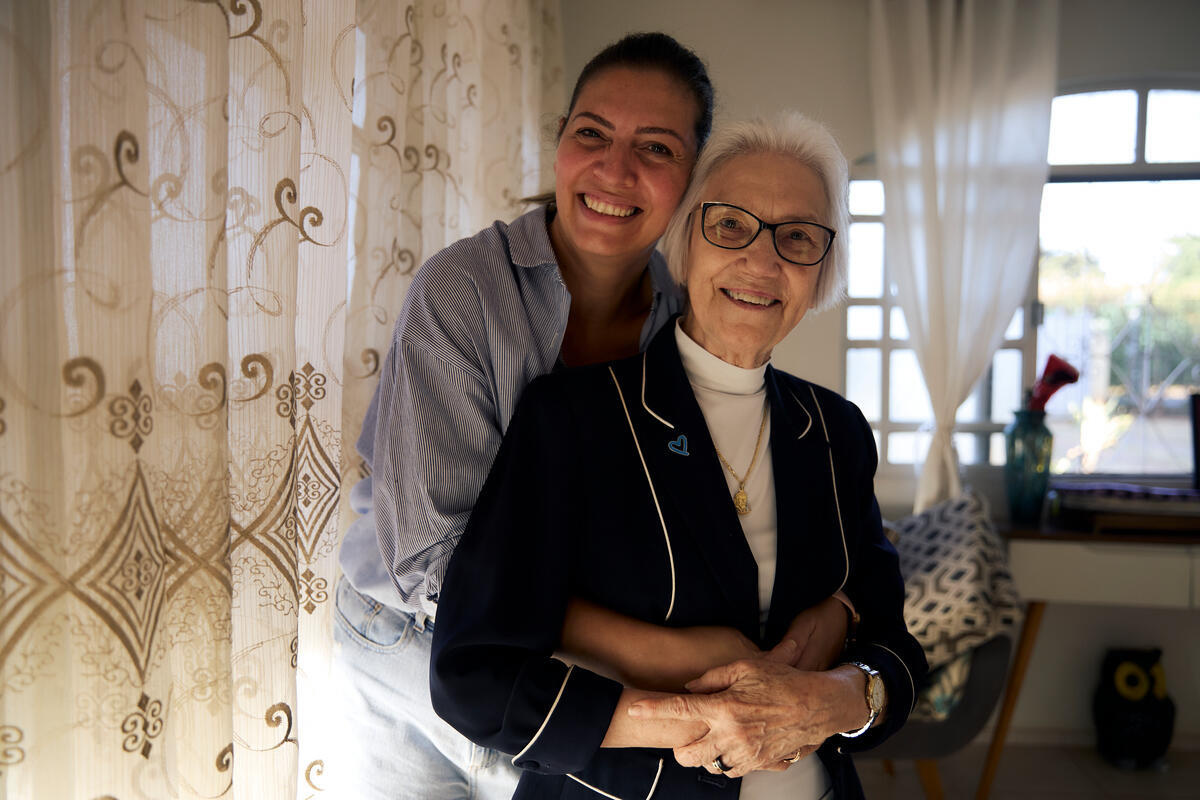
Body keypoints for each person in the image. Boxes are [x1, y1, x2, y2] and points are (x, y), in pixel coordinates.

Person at [331, 34, 851, 800]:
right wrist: (663, 654)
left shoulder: (686, 316)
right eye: (591, 135)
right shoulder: (463, 293)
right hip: (412, 643)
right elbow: (435, 565)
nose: (615, 171)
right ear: (561, 145)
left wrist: (832, 615)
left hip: (576, 675)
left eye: (656, 148)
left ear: (693, 179)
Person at [430, 112, 928, 800]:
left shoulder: (836, 430)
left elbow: (895, 647)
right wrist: (693, 717)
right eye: (730, 225)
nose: (763, 260)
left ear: (822, 272)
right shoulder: (572, 419)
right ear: (685, 244)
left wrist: (833, 701)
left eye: (798, 238)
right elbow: (472, 674)